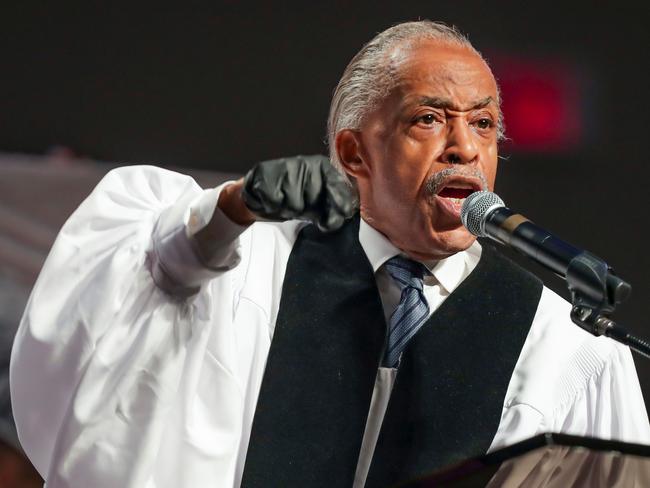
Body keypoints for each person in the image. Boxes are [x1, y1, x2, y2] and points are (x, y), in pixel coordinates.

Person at [10, 20, 650, 488]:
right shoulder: (252, 269)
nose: (464, 148)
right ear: (353, 154)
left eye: (482, 124)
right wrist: (232, 207)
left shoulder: (562, 346)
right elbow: (148, 279)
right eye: (429, 118)